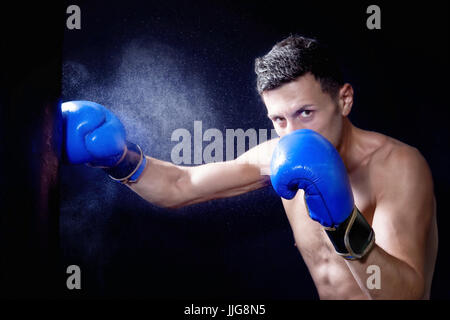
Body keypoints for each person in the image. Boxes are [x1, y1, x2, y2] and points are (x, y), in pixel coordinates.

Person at [61, 35, 438, 299]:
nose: (292, 133)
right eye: (279, 119)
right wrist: (119, 160)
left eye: (305, 113)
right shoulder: (280, 154)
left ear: (344, 99)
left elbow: (404, 294)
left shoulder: (398, 167)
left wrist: (342, 225)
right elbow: (181, 185)